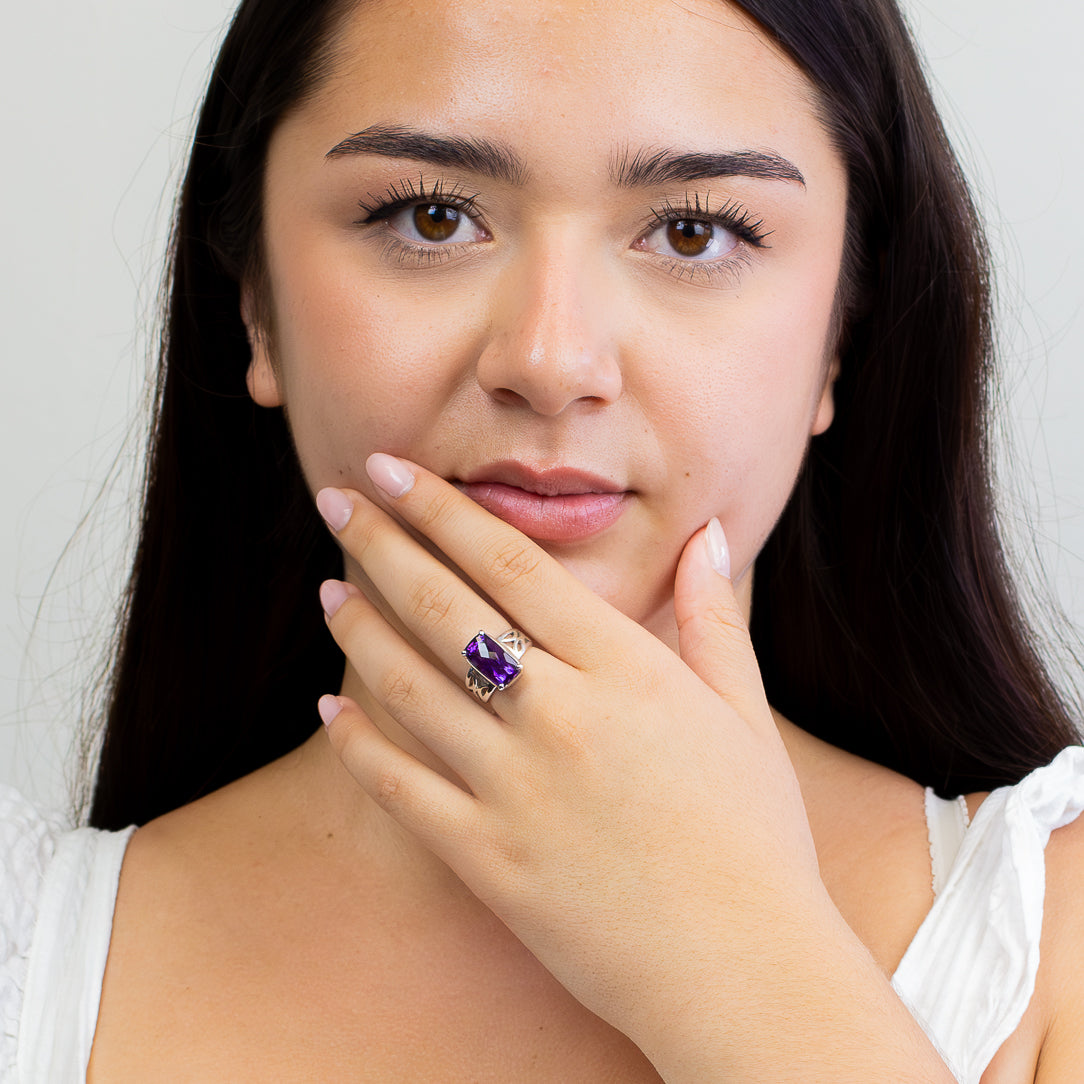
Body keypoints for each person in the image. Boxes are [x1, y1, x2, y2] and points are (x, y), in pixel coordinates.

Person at [3, 0, 1083, 1079]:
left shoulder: (1051, 943)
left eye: (694, 231)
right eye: (430, 217)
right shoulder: (27, 951)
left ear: (841, 331)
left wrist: (743, 961)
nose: (552, 361)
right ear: (256, 305)